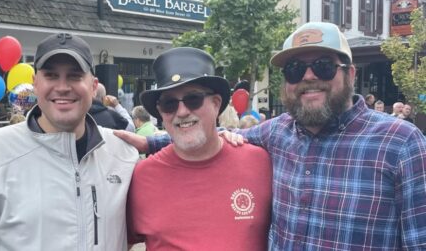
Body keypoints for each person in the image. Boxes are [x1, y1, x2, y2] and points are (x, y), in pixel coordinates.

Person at [116, 22, 426, 250]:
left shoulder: (400, 143)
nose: (308, 77)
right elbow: (209, 133)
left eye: (323, 66)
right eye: (294, 69)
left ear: (350, 73)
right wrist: (151, 141)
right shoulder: (276, 133)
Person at [0, 33, 139, 250]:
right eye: (51, 75)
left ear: (93, 85)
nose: (62, 87)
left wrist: (157, 143)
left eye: (75, 76)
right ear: (35, 84)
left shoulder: (123, 155)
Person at [127, 47, 272, 250]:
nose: (182, 111)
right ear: (161, 112)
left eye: (193, 99)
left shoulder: (260, 163)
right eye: (169, 103)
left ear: (215, 103)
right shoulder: (142, 176)